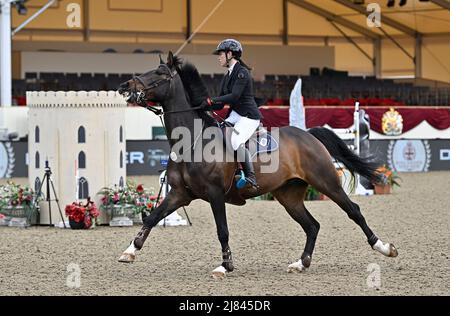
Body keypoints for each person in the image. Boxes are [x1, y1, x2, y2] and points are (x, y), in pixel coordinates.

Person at [200, 39, 262, 190]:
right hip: (235, 114)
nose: (218, 57)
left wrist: (211, 100)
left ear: (230, 54)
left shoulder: (242, 73)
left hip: (248, 116)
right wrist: (202, 104)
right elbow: (220, 104)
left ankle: (250, 176)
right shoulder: (227, 75)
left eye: (220, 54)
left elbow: (234, 97)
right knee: (216, 133)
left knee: (235, 140)